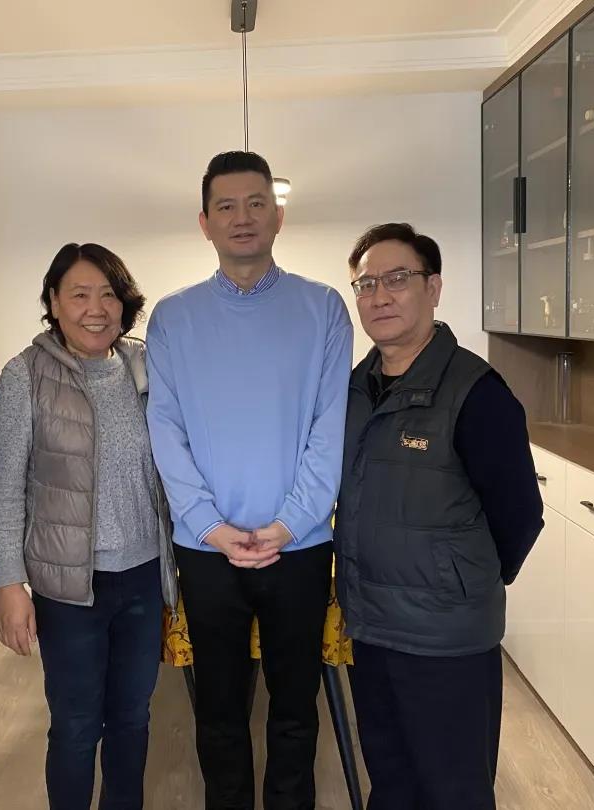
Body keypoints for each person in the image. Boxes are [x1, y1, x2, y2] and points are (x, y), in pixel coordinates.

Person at [146, 151, 353, 810]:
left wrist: (288, 524)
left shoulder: (323, 309)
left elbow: (329, 432)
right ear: (205, 222)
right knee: (219, 712)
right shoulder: (172, 318)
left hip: (299, 545)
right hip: (207, 550)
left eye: (257, 203)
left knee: (295, 709)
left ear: (278, 215)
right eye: (227, 206)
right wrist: (211, 525)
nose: (243, 218)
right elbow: (165, 431)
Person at [334, 222, 544, 810]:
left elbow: (519, 514)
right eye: (366, 284)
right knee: (391, 782)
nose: (379, 296)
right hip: (371, 627)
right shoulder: (354, 390)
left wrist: (461, 582)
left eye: (397, 279)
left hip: (445, 639)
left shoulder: (476, 392)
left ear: (433, 288)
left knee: (454, 790)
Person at [0, 242, 178, 810]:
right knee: (75, 724)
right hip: (68, 587)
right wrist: (9, 582)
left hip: (143, 576)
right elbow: (4, 487)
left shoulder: (145, 366)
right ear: (53, 301)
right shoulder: (24, 375)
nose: (96, 309)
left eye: (108, 294)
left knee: (133, 717)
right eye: (79, 295)